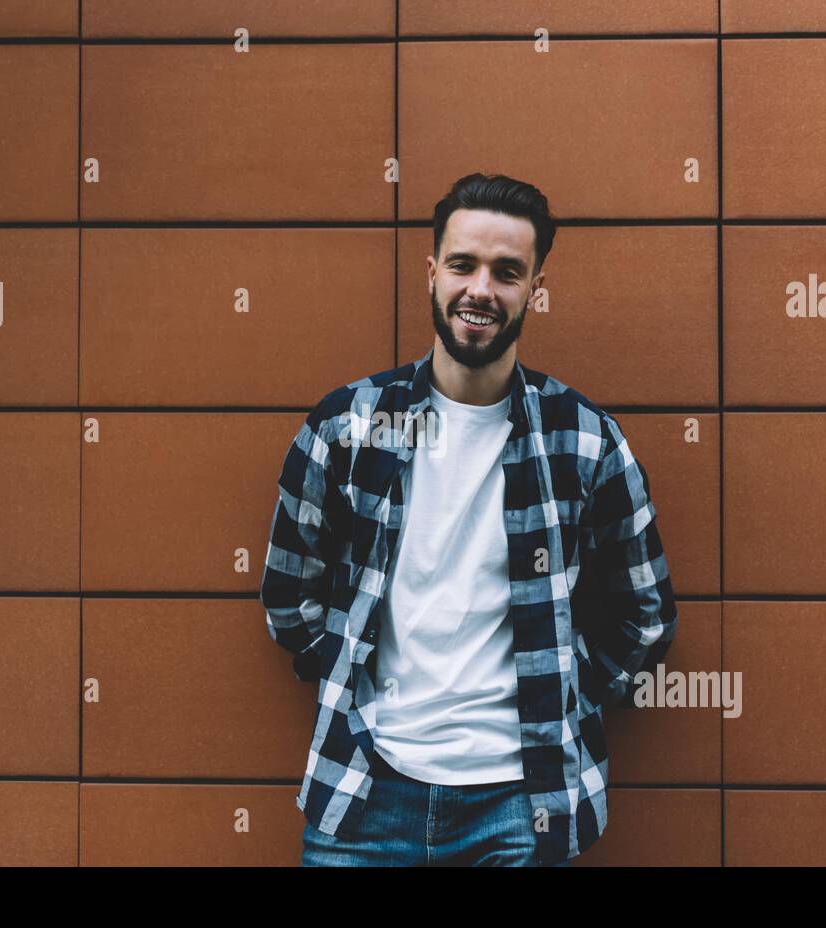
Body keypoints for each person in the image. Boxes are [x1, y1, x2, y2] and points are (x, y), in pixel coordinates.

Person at [260, 172, 678, 866]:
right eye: (463, 265)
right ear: (432, 273)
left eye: (507, 271)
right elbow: (286, 594)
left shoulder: (584, 439)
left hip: (519, 807)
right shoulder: (350, 426)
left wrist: (562, 695)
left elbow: (647, 615)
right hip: (366, 792)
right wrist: (345, 682)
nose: (481, 289)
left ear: (536, 289)